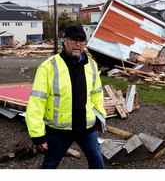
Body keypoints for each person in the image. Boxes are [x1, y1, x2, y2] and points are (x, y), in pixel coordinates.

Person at [25, 25, 106, 169]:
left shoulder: (92, 65)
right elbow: (36, 102)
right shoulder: (48, 67)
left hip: (86, 128)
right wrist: (38, 136)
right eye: (74, 40)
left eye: (81, 40)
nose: (78, 44)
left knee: (98, 163)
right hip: (59, 131)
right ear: (65, 41)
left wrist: (100, 117)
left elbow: (97, 94)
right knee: (50, 165)